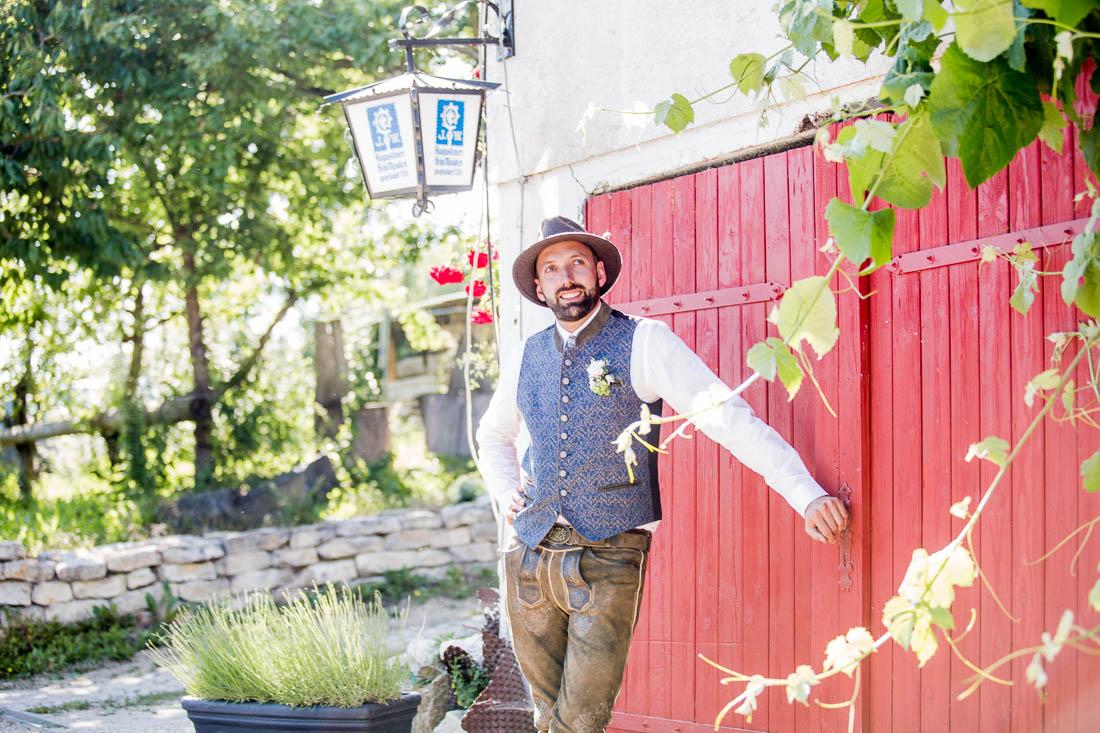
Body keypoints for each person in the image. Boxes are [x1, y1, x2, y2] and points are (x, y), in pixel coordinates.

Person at [475, 216, 850, 733]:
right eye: (553, 269)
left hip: (608, 555)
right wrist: (505, 494)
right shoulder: (524, 355)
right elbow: (493, 436)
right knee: (547, 719)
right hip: (530, 557)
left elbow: (726, 417)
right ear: (539, 287)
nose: (567, 277)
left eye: (578, 263)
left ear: (600, 272)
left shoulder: (645, 341)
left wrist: (803, 492)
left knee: (580, 723)